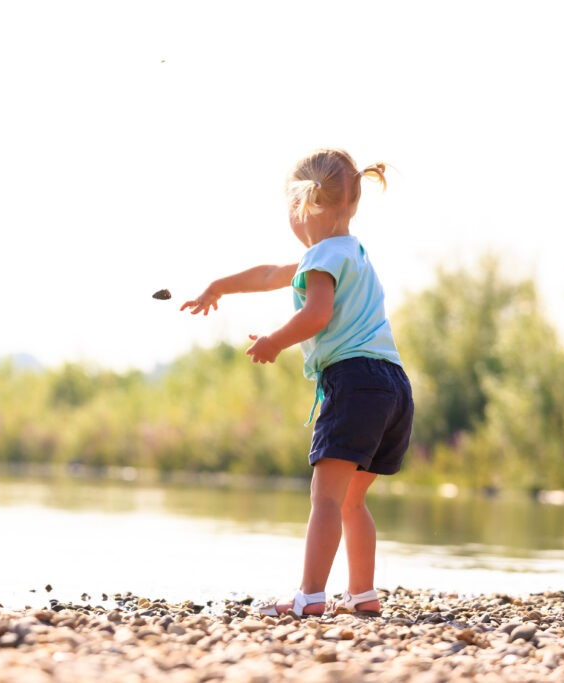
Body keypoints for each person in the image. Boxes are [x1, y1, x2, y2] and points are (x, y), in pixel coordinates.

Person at [180, 148, 414, 617]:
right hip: (393, 386)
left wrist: (274, 341)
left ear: (303, 205)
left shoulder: (324, 258)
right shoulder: (348, 253)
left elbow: (317, 313)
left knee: (325, 497)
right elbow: (271, 275)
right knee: (351, 499)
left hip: (355, 381)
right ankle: (364, 594)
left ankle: (309, 596)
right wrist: (219, 286)